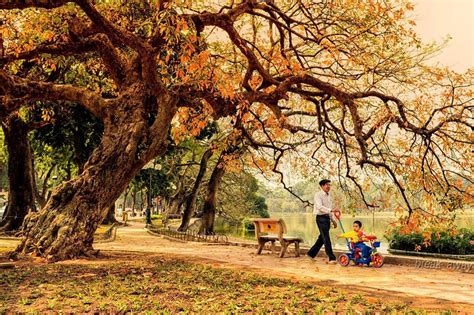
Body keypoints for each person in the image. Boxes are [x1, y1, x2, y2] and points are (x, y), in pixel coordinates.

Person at [307, 179, 338, 263]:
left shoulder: (329, 196)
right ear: (322, 186)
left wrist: (333, 220)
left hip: (327, 218)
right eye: (326, 185)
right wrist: (330, 210)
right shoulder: (318, 195)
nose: (328, 186)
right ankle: (332, 258)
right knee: (326, 238)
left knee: (322, 238)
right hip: (320, 218)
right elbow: (319, 207)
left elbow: (330, 210)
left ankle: (311, 254)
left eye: (329, 185)